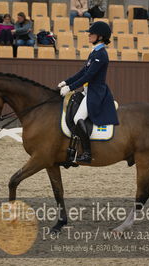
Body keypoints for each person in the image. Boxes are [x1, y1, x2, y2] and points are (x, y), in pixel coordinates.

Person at [57, 21, 119, 163]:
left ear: (101, 36)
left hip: (95, 92)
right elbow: (82, 72)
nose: (89, 35)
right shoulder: (95, 52)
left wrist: (70, 88)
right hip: (88, 91)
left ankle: (87, 153)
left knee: (77, 118)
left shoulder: (101, 54)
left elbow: (88, 76)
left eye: (92, 33)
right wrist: (66, 82)